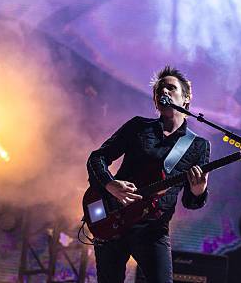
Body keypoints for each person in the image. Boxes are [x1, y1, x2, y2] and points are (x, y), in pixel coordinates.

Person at [87, 66, 210, 283]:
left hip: (152, 228)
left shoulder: (198, 146)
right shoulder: (138, 127)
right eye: (159, 90)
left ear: (186, 98)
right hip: (111, 216)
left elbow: (191, 202)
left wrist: (198, 191)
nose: (164, 92)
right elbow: (97, 158)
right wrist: (110, 185)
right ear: (155, 101)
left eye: (171, 88)